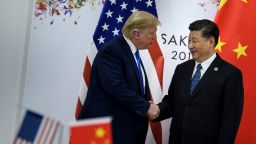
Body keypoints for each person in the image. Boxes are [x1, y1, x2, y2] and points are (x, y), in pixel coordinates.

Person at [149, 19, 244, 144]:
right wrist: (157, 110)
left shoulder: (230, 74)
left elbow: (230, 121)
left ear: (211, 42)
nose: (190, 46)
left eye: (195, 41)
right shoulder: (182, 69)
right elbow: (172, 102)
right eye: (189, 41)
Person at [78, 11, 160, 144]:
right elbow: (116, 87)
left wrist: (144, 102)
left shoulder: (131, 52)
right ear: (136, 34)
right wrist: (145, 106)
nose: (155, 38)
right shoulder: (111, 51)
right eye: (151, 33)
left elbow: (131, 87)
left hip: (119, 131)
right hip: (100, 132)